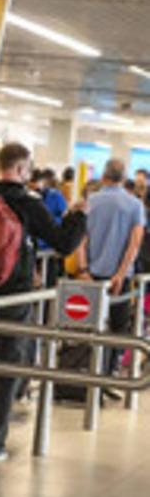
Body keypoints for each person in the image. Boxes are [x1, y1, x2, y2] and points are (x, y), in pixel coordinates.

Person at [0, 143, 86, 461]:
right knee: (6, 365)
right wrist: (78, 217)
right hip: (15, 293)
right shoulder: (27, 202)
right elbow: (63, 244)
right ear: (20, 169)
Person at [76, 158, 145, 375]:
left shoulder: (90, 201)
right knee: (118, 327)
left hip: (91, 275)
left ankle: (87, 369)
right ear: (125, 179)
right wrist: (120, 274)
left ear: (104, 177)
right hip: (119, 279)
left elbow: (80, 239)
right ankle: (108, 373)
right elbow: (134, 245)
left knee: (89, 324)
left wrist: (83, 269)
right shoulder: (135, 205)